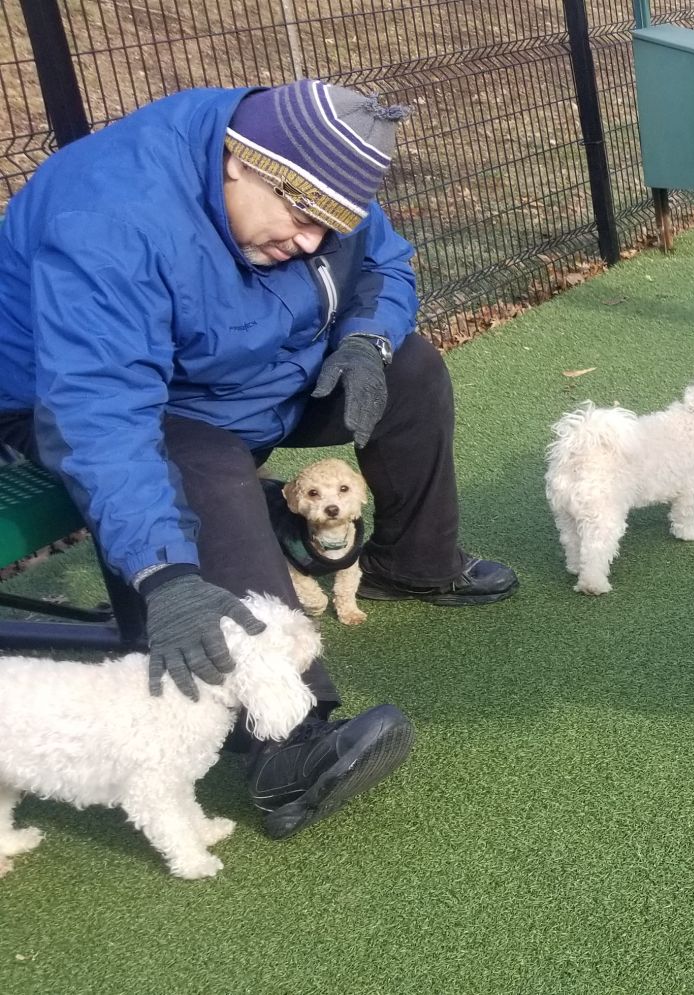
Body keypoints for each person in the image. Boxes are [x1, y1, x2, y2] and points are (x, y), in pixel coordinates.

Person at [0, 79, 519, 840]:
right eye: (302, 217)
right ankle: (288, 751)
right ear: (239, 165)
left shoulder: (311, 166)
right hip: (96, 401)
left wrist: (366, 341)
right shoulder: (109, 218)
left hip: (253, 375)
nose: (312, 240)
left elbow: (388, 261)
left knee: (410, 369)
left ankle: (413, 561)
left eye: (327, 225)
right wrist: (164, 575)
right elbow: (104, 414)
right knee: (204, 467)